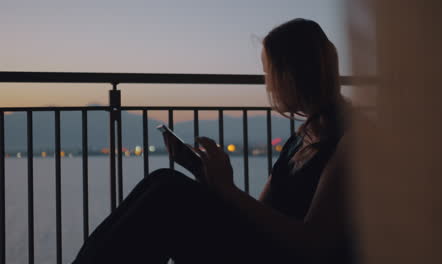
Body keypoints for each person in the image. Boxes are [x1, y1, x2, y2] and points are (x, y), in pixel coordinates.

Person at [73, 18, 354, 264]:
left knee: (169, 196)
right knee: (163, 180)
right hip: (264, 250)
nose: (268, 83)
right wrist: (206, 175)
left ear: (293, 76)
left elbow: (313, 245)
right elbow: (261, 213)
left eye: (270, 73)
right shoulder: (303, 136)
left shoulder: (350, 141)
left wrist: (227, 189)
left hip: (278, 257)